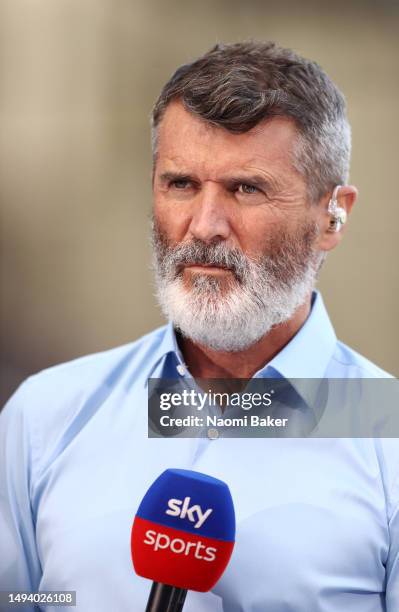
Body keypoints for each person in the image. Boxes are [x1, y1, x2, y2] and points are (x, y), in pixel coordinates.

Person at [0, 41, 398, 611]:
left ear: (332, 216)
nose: (205, 226)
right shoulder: (44, 417)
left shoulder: (388, 442)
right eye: (181, 184)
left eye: (246, 188)